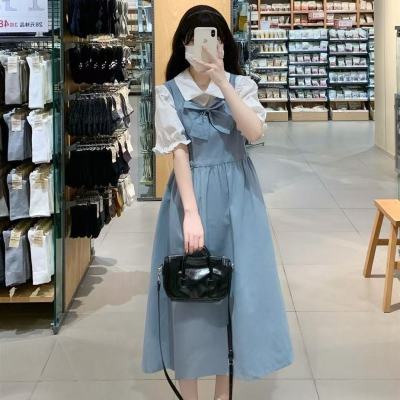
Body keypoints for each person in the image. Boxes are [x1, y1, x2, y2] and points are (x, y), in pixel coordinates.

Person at [142, 5, 293, 400]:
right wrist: (191, 214)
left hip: (240, 197)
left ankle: (223, 394)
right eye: (196, 39)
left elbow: (254, 132)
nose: (207, 47)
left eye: (216, 39)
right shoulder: (169, 91)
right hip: (190, 197)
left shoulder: (241, 86)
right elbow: (179, 153)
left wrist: (223, 82)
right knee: (189, 294)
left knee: (237, 295)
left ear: (224, 44)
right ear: (184, 44)